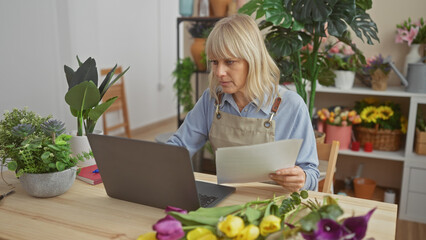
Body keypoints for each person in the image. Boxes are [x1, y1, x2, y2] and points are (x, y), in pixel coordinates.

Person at [167, 14, 319, 192]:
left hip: (273, 207)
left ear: (253, 60)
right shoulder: (212, 100)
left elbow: (311, 175)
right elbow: (178, 149)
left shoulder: (291, 106)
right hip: (225, 200)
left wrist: (302, 178)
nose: (219, 72)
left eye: (229, 62)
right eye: (215, 62)